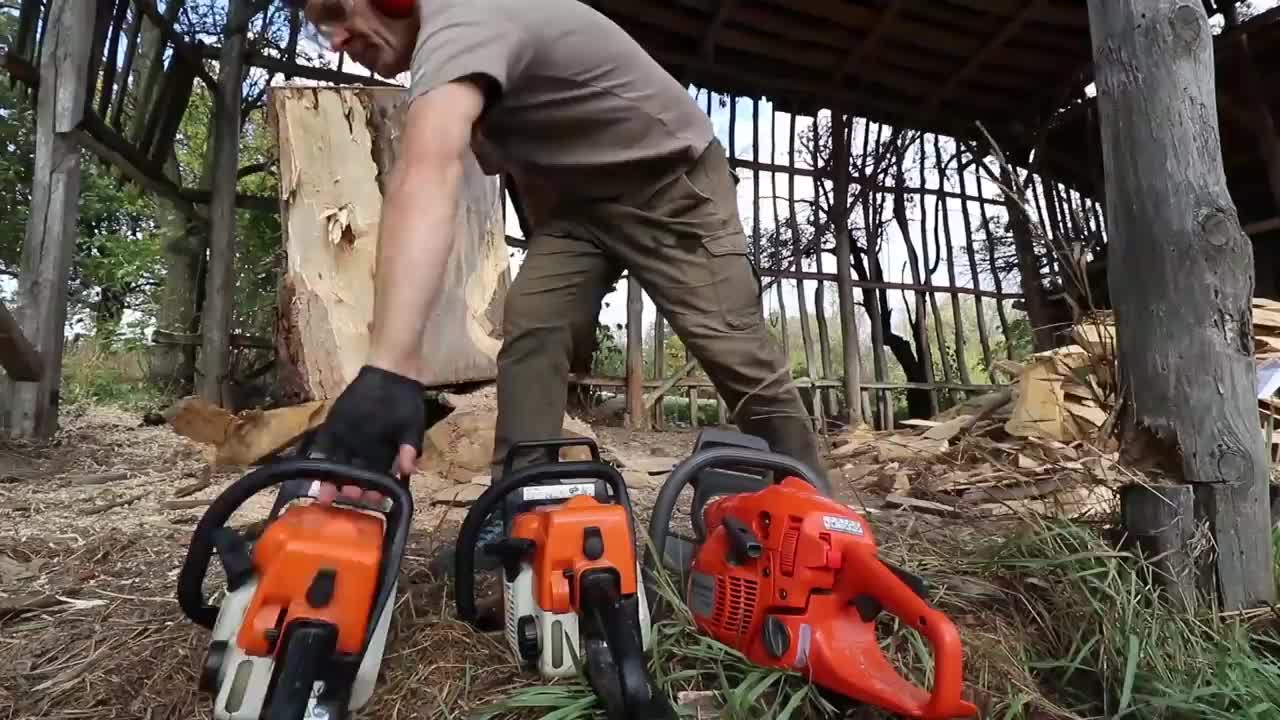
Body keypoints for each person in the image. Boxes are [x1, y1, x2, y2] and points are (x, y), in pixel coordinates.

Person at [296, 0, 824, 508]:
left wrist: (390, 368)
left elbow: (427, 171)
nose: (338, 40)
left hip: (670, 186)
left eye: (339, 12)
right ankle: (519, 503)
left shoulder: (462, 16)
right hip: (579, 205)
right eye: (323, 30)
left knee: (737, 355)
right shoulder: (447, 50)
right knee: (533, 329)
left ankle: (821, 514)